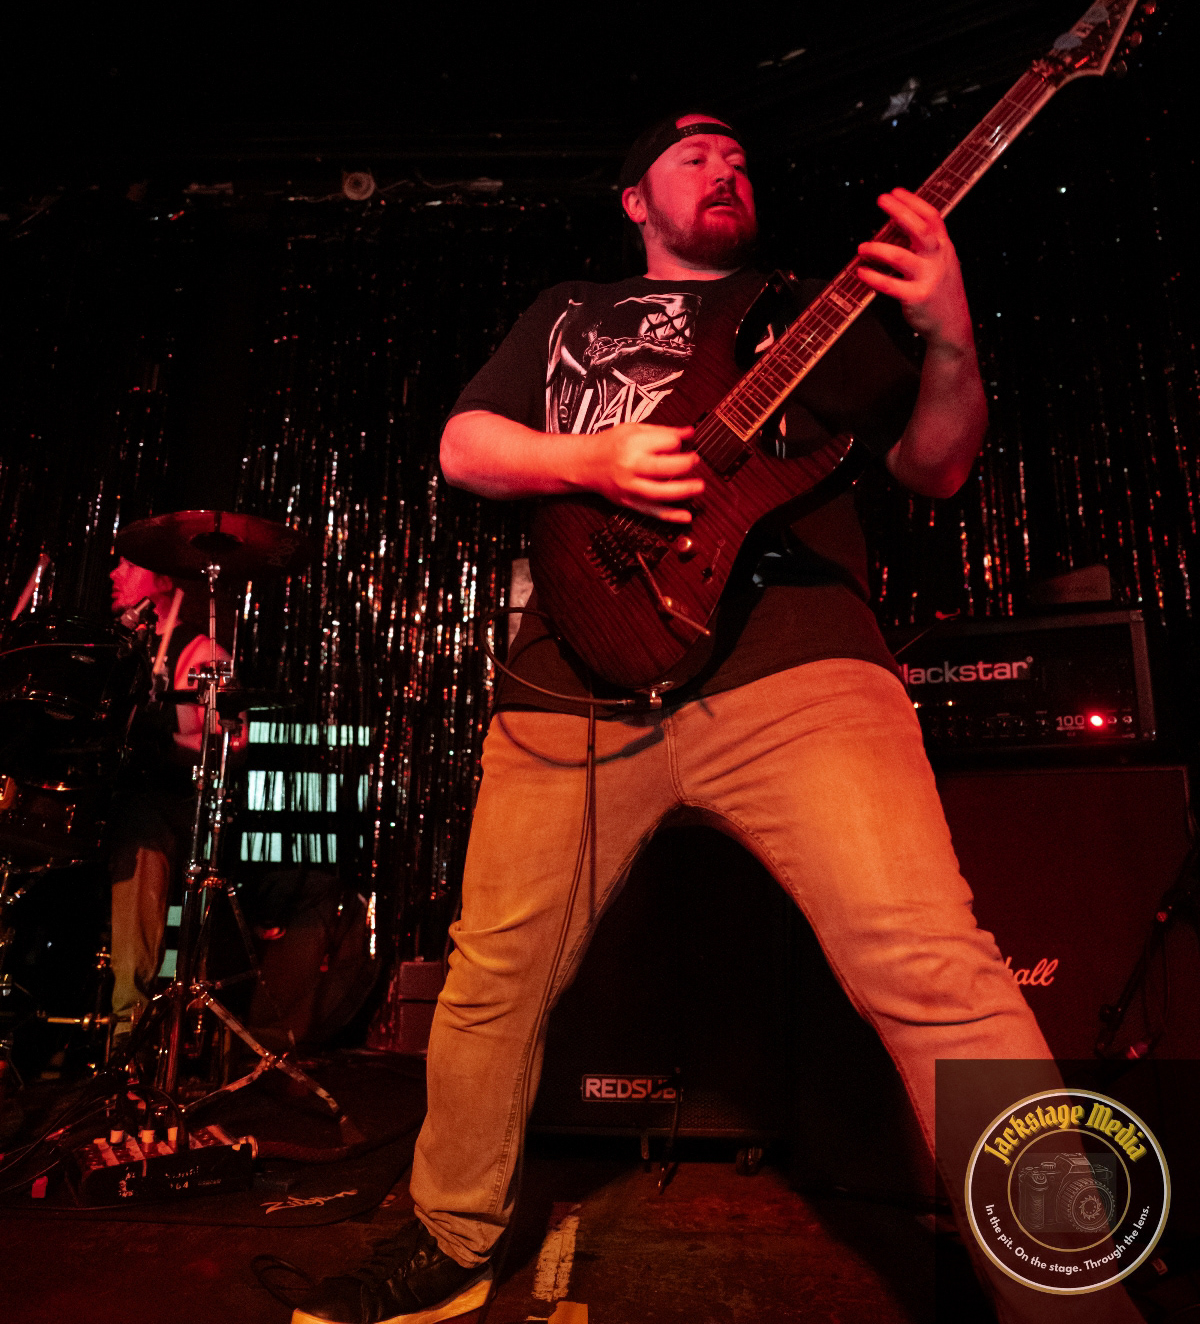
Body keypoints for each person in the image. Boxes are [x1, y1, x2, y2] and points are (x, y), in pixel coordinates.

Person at [294, 113, 1141, 1324]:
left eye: (739, 156)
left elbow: (936, 466)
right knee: (493, 977)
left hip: (801, 665)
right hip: (572, 682)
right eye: (693, 156)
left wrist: (951, 334)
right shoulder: (570, 310)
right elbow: (466, 447)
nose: (725, 167)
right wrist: (592, 464)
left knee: (936, 971)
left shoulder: (810, 311)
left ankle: (1074, 1296)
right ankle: (450, 1239)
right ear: (636, 200)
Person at [107, 556, 239, 1038]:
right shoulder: (117, 647)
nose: (114, 575)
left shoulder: (200, 651)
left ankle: (128, 1033)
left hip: (172, 802)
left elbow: (228, 739)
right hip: (108, 796)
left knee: (141, 826)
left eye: (129, 567)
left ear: (163, 580)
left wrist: (156, 737)